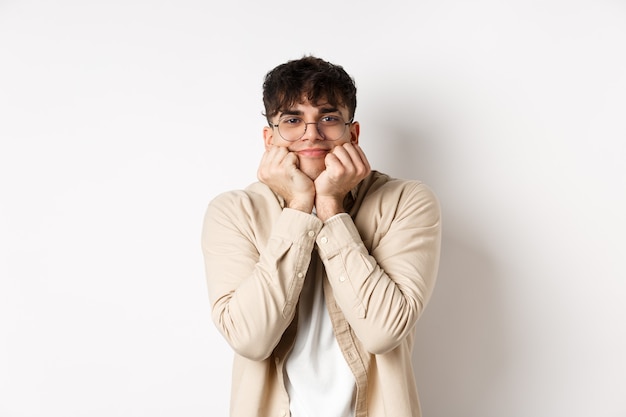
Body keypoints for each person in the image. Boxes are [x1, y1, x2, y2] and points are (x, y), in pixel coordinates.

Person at [201, 56, 441, 417]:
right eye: (293, 120)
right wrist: (299, 208)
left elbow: (383, 332)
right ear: (270, 139)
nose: (311, 134)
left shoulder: (406, 201)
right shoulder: (233, 211)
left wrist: (330, 206)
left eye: (328, 118)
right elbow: (250, 339)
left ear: (353, 134)